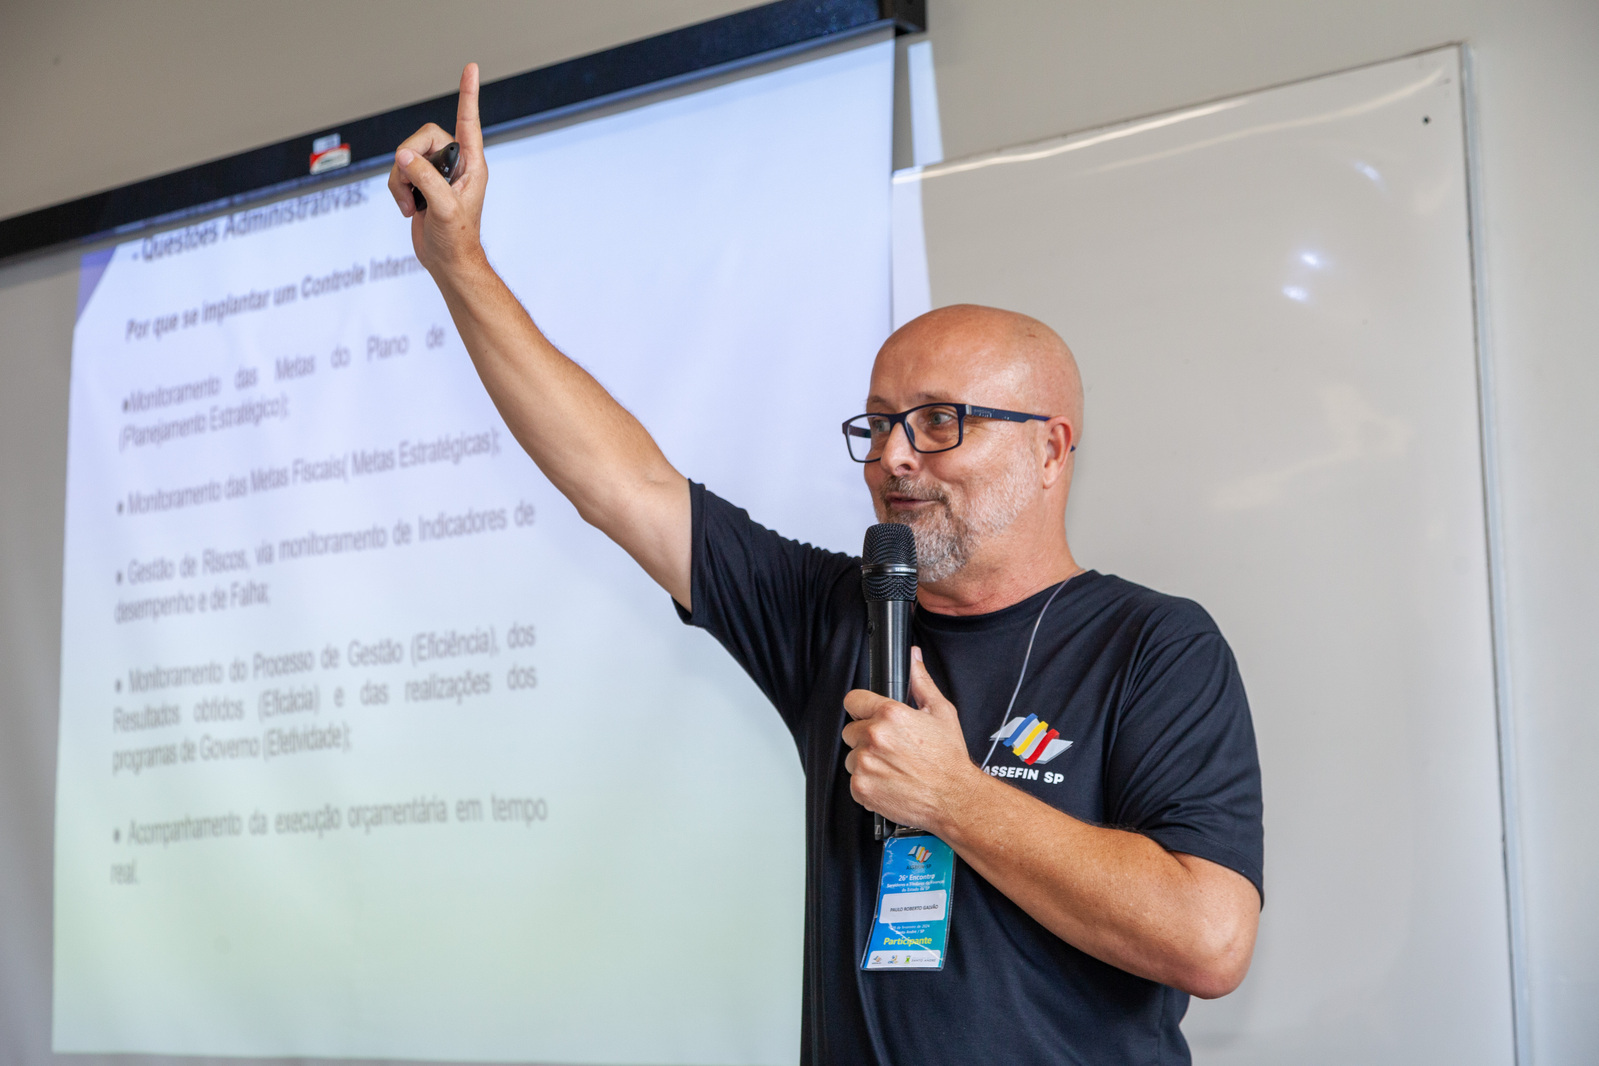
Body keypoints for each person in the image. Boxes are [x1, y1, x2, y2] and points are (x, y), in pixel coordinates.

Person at [390, 64, 1263, 1065]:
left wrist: (956, 798)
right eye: (881, 424)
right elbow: (618, 483)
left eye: (941, 423)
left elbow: (1210, 936)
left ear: (1051, 448)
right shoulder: (838, 616)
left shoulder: (1153, 646)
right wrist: (459, 265)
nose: (894, 456)